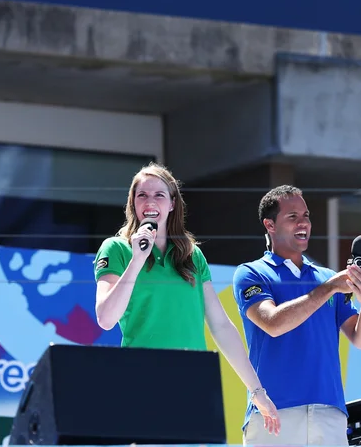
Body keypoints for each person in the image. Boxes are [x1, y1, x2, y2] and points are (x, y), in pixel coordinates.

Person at [94, 162, 280, 436]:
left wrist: (257, 390)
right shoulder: (117, 249)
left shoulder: (192, 256)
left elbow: (221, 325)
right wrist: (137, 260)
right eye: (141, 195)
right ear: (132, 204)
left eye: (159, 195)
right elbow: (106, 318)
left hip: (192, 381)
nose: (150, 201)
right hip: (141, 381)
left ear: (172, 204)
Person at [232, 185, 361, 446]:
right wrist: (330, 287)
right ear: (270, 225)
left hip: (329, 414)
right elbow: (273, 323)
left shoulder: (326, 277)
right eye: (293, 217)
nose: (304, 223)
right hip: (273, 414)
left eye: (306, 215)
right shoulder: (251, 274)